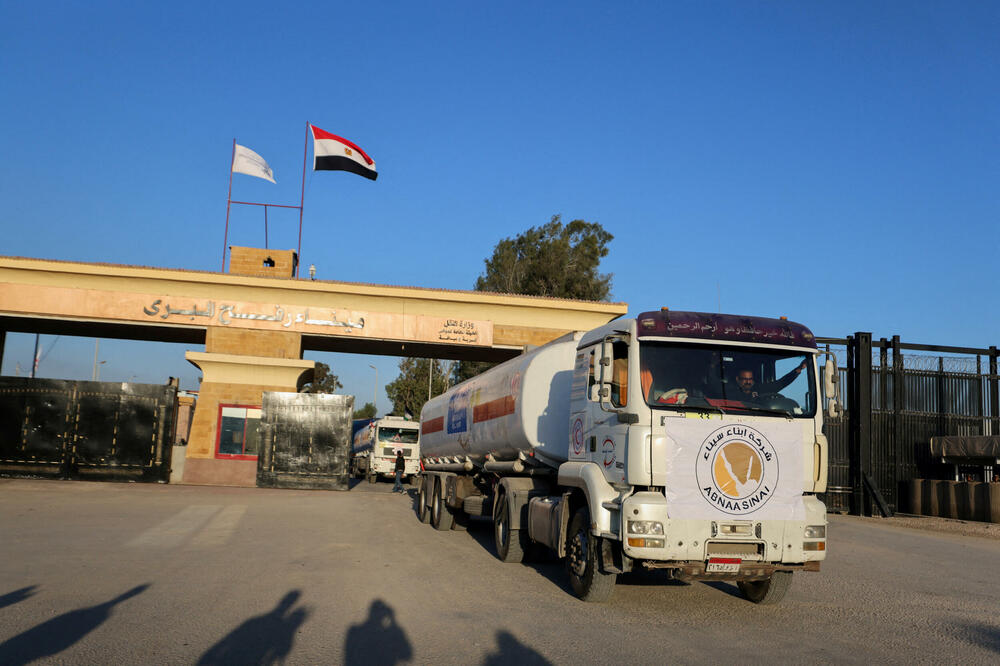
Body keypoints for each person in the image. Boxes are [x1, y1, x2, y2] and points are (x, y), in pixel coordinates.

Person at [735, 361, 808, 401]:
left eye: (750, 379)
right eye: (745, 379)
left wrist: (799, 368)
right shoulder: (730, 392)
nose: (748, 382)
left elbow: (782, 382)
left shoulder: (760, 389)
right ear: (737, 379)